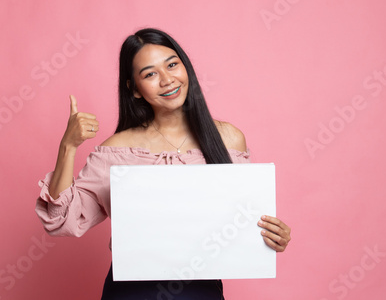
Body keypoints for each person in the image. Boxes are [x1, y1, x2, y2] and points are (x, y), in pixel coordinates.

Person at [35, 28, 291, 299]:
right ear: (134, 89)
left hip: (202, 291)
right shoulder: (116, 150)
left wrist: (273, 236)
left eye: (172, 65)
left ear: (186, 67)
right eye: (150, 74)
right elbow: (62, 221)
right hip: (132, 292)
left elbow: (243, 221)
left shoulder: (228, 138)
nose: (167, 80)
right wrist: (68, 146)